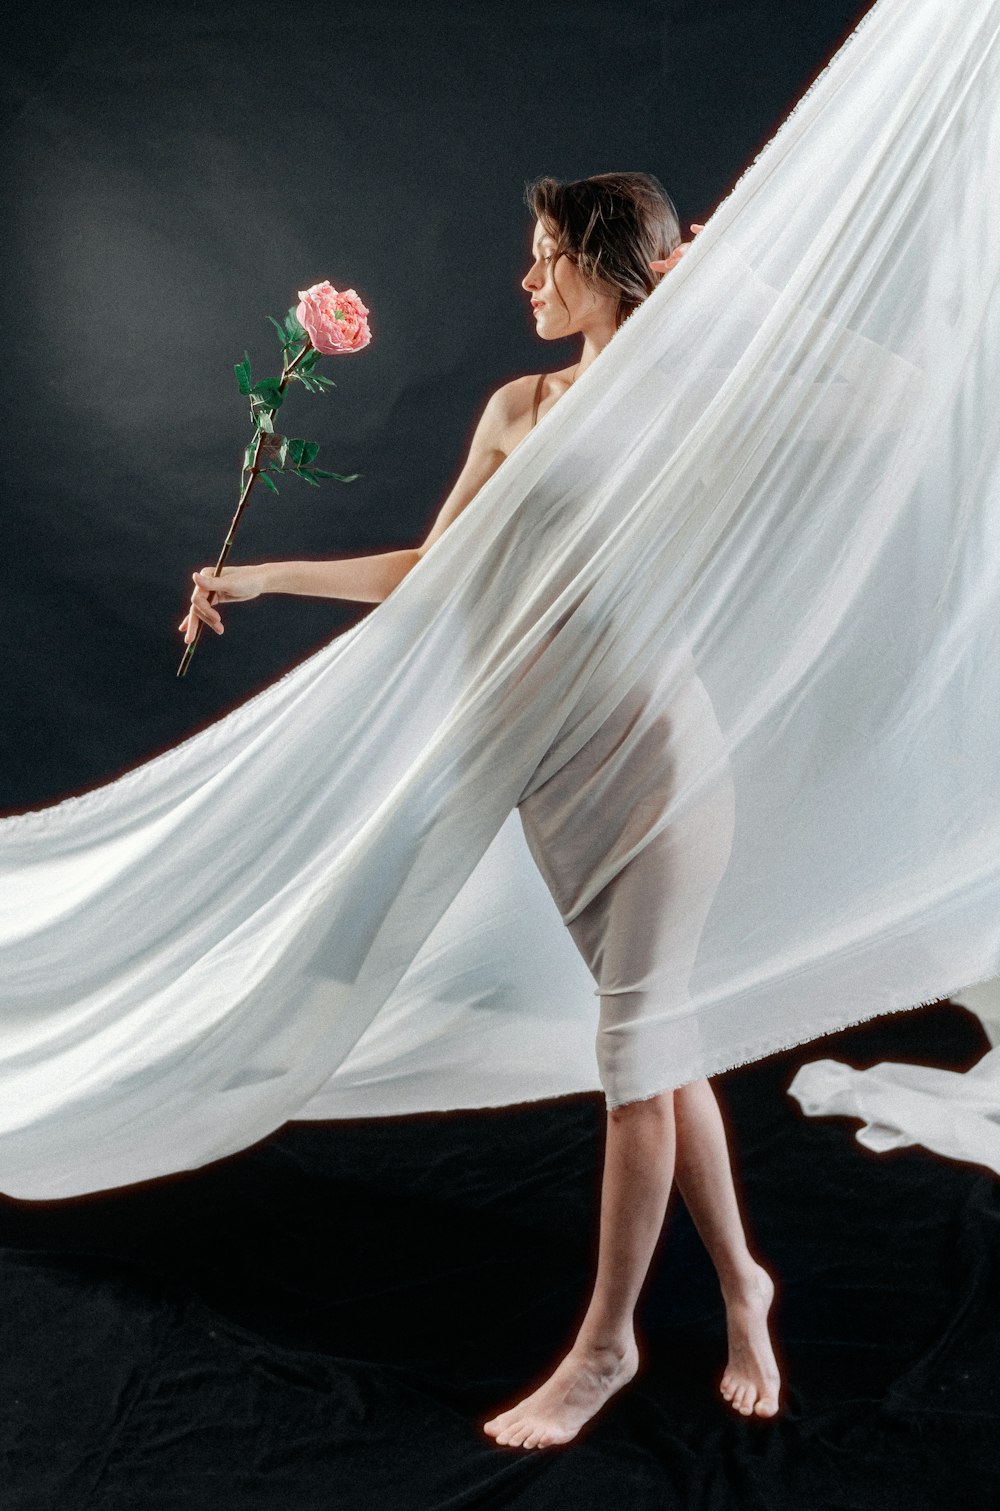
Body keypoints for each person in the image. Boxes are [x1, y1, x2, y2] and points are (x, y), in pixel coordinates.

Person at [179, 173, 782, 1448]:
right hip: (552, 772)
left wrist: (737, 287)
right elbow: (430, 579)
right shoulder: (520, 405)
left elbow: (890, 406)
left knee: (632, 1058)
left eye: (550, 256)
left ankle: (606, 1345)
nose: (526, 281)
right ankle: (742, 1282)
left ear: (618, 267)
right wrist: (265, 572)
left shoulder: (691, 396)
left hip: (659, 760)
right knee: (656, 1050)